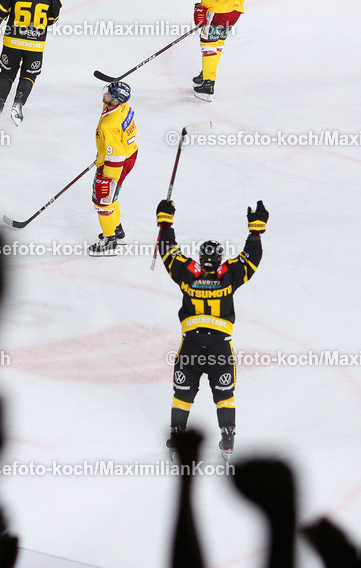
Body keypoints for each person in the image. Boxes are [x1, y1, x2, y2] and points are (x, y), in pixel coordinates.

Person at [156, 198, 267, 461]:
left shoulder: (188, 274)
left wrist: (165, 222)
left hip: (191, 345)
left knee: (183, 395)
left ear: (200, 258)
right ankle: (227, 437)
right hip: (220, 346)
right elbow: (251, 259)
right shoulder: (228, 275)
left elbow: (168, 253)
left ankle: (177, 435)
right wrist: (256, 230)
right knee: (224, 395)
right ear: (218, 259)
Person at [0, 0, 61, 126]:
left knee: (7, 73)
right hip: (35, 44)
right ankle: (18, 104)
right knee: (29, 75)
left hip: (13, 41)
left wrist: (7, 11)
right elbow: (52, 19)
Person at [89, 81, 138, 257]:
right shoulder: (122, 106)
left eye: (109, 94)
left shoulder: (109, 125)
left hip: (117, 161)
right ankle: (116, 229)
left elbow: (115, 155)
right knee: (110, 195)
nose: (105, 95)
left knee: (103, 200)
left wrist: (109, 178)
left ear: (116, 101)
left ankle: (110, 240)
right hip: (127, 152)